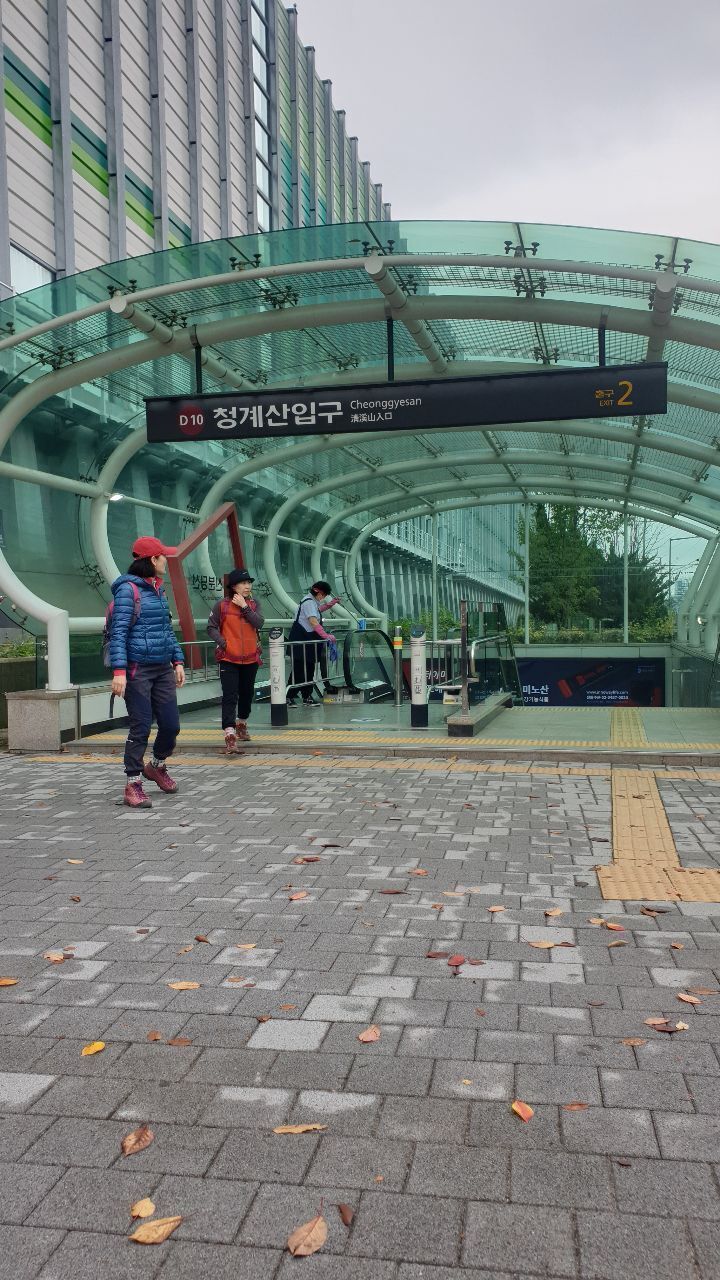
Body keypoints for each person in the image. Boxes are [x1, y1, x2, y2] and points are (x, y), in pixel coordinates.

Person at [109, 536, 186, 808]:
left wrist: (177, 660)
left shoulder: (158, 589)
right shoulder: (127, 590)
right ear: (153, 559)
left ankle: (156, 766)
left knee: (171, 725)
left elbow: (166, 630)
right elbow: (118, 632)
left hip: (162, 667)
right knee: (140, 726)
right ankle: (133, 784)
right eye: (163, 556)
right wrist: (119, 671)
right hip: (137, 669)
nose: (166, 560)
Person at [207, 568, 264, 754]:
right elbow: (211, 627)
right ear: (233, 587)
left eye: (249, 583)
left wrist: (244, 607)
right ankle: (230, 734)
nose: (248, 586)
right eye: (243, 583)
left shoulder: (254, 604)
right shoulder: (221, 605)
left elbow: (259, 623)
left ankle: (242, 723)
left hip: (250, 658)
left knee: (247, 694)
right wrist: (223, 643)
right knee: (230, 695)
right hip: (229, 658)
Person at [287, 580, 341, 705]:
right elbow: (313, 621)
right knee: (299, 670)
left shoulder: (311, 602)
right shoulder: (309, 602)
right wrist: (325, 636)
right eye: (324, 595)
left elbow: (318, 610)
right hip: (302, 640)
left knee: (309, 669)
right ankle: (289, 697)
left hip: (306, 641)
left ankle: (306, 696)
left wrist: (330, 604)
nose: (324, 598)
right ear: (319, 593)